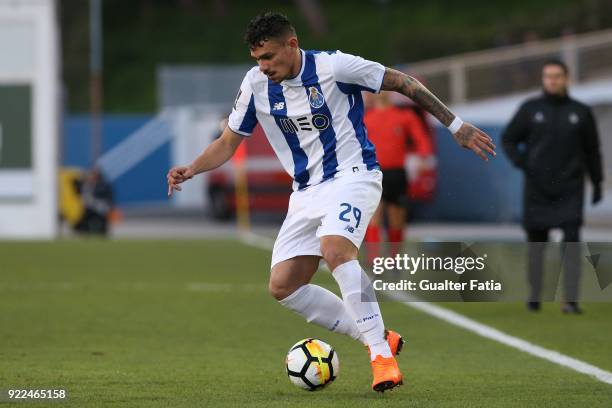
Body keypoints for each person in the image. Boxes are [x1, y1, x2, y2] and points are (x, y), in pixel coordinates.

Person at [167, 12, 495, 392]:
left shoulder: (335, 66)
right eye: (258, 59)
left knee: (336, 250)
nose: (264, 66)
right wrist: (191, 168)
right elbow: (227, 142)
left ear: (292, 44)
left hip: (353, 176)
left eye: (270, 56)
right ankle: (376, 336)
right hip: (305, 192)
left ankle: (381, 359)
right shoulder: (255, 84)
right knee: (283, 286)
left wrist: (456, 125)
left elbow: (403, 82)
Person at [502, 59, 603, 314]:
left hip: (570, 187)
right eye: (548, 76)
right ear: (543, 79)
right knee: (537, 244)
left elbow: (592, 150)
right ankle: (535, 294)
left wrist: (598, 181)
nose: (552, 80)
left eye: (557, 76)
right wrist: (523, 163)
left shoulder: (580, 112)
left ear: (566, 78)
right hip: (537, 187)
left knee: (571, 242)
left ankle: (570, 299)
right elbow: (509, 139)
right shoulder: (530, 109)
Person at [363, 91, 433, 259]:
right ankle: (374, 261)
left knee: (396, 220)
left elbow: (421, 139)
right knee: (374, 217)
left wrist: (424, 155)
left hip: (395, 174)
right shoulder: (365, 118)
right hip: (373, 173)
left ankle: (393, 260)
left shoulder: (404, 116)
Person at [74, 167, 114, 236]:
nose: (91, 176)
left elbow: (108, 198)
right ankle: (83, 229)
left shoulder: (103, 185)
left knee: (99, 214)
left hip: (101, 207)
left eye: (93, 174)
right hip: (88, 208)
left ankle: (101, 230)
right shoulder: (86, 185)